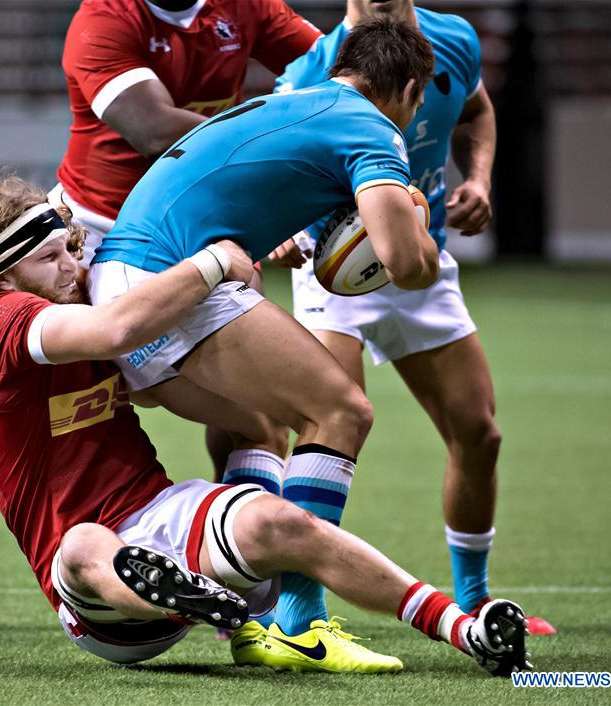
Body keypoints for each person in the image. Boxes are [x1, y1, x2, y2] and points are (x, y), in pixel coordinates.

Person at [0, 176, 532, 676]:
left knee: (285, 520)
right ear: (0, 275)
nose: (72, 267)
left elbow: (181, 395)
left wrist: (240, 317)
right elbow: (116, 328)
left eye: (69, 248)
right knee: (79, 544)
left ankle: (465, 632)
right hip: (94, 607)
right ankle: (168, 592)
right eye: (49, 259)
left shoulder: (78, 301)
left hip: (159, 515)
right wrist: (212, 263)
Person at [0, 0, 320, 631]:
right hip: (94, 235)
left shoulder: (246, 7)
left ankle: (239, 572)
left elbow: (328, 75)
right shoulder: (108, 16)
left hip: (195, 229)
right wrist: (283, 155)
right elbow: (157, 131)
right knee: (1, 390)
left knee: (253, 408)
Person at [86, 17, 446, 666]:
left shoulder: (289, 105)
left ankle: (248, 622)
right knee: (340, 411)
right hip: (171, 275)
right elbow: (401, 258)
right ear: (411, 88)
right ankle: (298, 624)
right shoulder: (370, 126)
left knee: (259, 428)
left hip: (118, 284)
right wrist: (417, 225)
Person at [268, 0, 555, 635]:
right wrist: (280, 230)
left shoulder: (453, 40)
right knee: (329, 428)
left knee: (479, 433)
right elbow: (276, 165)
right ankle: (297, 614)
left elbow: (476, 111)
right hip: (334, 266)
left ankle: (477, 599)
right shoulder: (310, 69)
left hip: (423, 260)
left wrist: (479, 180)